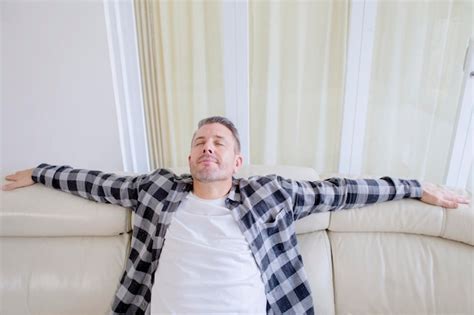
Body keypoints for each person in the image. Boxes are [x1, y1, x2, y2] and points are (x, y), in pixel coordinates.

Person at [2, 116, 469, 315]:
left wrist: (415, 187)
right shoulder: (157, 189)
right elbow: (96, 182)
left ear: (237, 162)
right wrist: (41, 173)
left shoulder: (271, 194)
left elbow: (342, 190)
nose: (207, 146)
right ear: (189, 158)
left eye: (218, 142)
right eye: (199, 142)